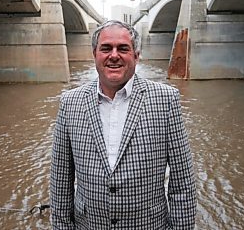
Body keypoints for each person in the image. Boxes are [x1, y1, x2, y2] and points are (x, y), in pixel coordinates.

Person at [50, 20, 196, 229]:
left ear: (136, 56)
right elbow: (60, 180)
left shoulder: (166, 99)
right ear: (95, 54)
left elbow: (182, 183)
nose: (114, 55)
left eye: (123, 49)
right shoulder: (70, 102)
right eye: (106, 48)